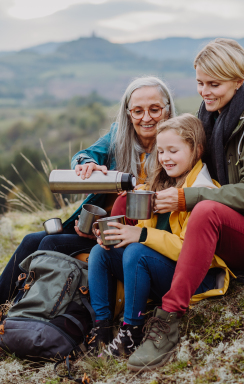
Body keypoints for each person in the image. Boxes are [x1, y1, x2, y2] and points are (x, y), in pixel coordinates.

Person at [0, 76, 177, 370]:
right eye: (137, 110)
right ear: (127, 112)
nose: (146, 118)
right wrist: (84, 165)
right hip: (100, 230)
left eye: (155, 110)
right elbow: (85, 155)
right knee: (32, 241)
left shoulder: (174, 142)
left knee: (48, 244)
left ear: (168, 109)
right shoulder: (119, 135)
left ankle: (8, 326)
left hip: (134, 240)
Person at [126, 38, 244, 372]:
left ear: (238, 81)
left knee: (205, 209)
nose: (205, 92)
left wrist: (186, 198)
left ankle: (168, 320)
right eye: (200, 83)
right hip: (223, 228)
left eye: (214, 84)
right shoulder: (209, 116)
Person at [87, 114, 231, 357]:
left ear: (196, 150)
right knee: (101, 251)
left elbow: (188, 250)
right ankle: (101, 330)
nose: (165, 158)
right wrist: (116, 234)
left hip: (194, 280)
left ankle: (130, 332)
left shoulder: (203, 192)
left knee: (136, 250)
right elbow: (144, 236)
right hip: (158, 270)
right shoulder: (158, 185)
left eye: (173, 151)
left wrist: (139, 234)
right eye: (161, 151)